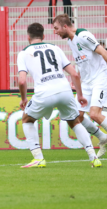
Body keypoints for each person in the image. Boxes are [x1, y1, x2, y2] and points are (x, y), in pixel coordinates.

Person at [18, 23, 102, 168]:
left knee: (27, 119)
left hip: (44, 92)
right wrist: (80, 95)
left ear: (28, 37)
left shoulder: (24, 53)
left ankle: (38, 158)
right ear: (43, 36)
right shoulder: (56, 48)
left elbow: (22, 81)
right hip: (64, 90)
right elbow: (74, 74)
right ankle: (93, 157)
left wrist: (24, 98)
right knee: (75, 121)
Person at [53, 14, 107, 159]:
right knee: (76, 116)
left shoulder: (83, 35)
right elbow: (81, 62)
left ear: (65, 26)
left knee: (95, 114)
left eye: (56, 28)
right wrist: (78, 82)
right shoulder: (71, 41)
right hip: (87, 82)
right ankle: (103, 138)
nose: (55, 31)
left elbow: (102, 52)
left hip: (100, 78)